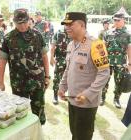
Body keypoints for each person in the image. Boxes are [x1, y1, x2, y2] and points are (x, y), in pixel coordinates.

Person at [58, 12, 110, 140]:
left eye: (70, 24)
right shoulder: (71, 45)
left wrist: (88, 94)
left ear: (82, 25)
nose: (67, 27)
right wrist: (62, 86)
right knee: (75, 132)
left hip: (86, 103)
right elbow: (69, 68)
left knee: (83, 136)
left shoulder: (95, 44)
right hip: (72, 99)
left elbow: (104, 73)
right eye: (65, 25)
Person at [0, 8, 50, 125]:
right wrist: (0, 82)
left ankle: (38, 134)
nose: (22, 26)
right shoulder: (8, 38)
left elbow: (44, 57)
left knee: (39, 112)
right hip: (19, 83)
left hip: (37, 82)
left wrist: (47, 76)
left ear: (29, 20)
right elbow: (2, 62)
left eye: (24, 22)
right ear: (14, 22)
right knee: (20, 114)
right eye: (19, 23)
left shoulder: (38, 35)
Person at [101, 13, 131, 108]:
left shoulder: (127, 34)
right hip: (108, 62)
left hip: (120, 62)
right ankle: (102, 97)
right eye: (115, 20)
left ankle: (116, 99)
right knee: (104, 80)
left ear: (123, 20)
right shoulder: (108, 32)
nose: (116, 22)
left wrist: (129, 63)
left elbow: (129, 49)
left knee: (119, 81)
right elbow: (103, 47)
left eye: (118, 20)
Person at [50, 27, 71, 105]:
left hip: (71, 59)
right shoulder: (58, 33)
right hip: (60, 59)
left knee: (71, 78)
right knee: (57, 78)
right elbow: (53, 46)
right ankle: (55, 96)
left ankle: (67, 95)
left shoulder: (73, 32)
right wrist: (51, 58)